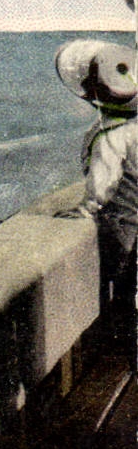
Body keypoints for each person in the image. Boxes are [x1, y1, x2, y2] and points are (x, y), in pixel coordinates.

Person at [55, 39, 138, 360]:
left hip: (127, 229)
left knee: (125, 294)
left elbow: (102, 186)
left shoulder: (112, 136)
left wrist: (85, 210)